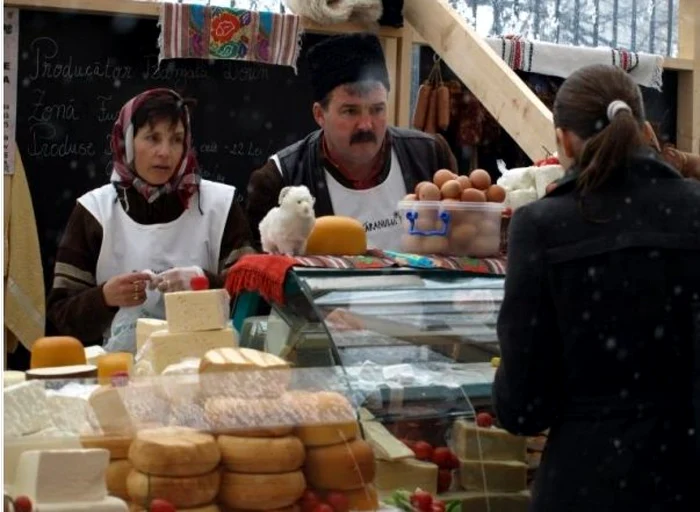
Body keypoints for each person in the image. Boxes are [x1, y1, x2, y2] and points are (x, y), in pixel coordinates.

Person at [493, 64, 700, 511]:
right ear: (646, 130)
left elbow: (523, 408)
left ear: (565, 141)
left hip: (584, 484)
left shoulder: (542, 225)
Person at [47, 88, 253, 353]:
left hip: (206, 369)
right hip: (118, 376)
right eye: (152, 138)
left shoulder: (220, 206)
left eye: (176, 139)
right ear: (127, 142)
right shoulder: (94, 212)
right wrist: (104, 298)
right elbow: (60, 316)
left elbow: (253, 295)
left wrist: (205, 282)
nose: (165, 152)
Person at [246, 32, 457, 251]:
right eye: (350, 111)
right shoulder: (280, 178)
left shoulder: (430, 156)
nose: (366, 124)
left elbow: (460, 239)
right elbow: (261, 271)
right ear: (319, 114)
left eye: (377, 109)